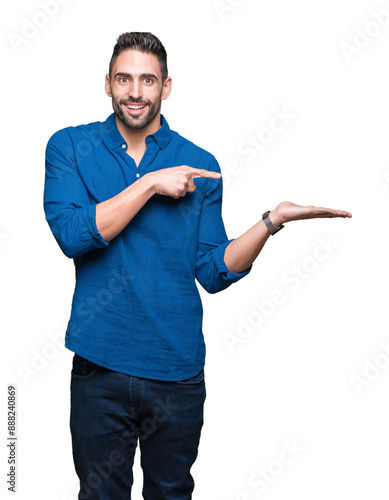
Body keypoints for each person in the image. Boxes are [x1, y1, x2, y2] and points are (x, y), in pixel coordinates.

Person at [43, 32, 351, 500]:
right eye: (124, 79)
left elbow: (211, 270)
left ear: (166, 88)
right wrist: (149, 184)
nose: (135, 92)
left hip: (176, 372)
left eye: (148, 80)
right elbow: (74, 234)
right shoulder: (69, 146)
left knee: (171, 494)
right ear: (107, 84)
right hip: (99, 367)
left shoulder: (199, 164)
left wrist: (271, 222)